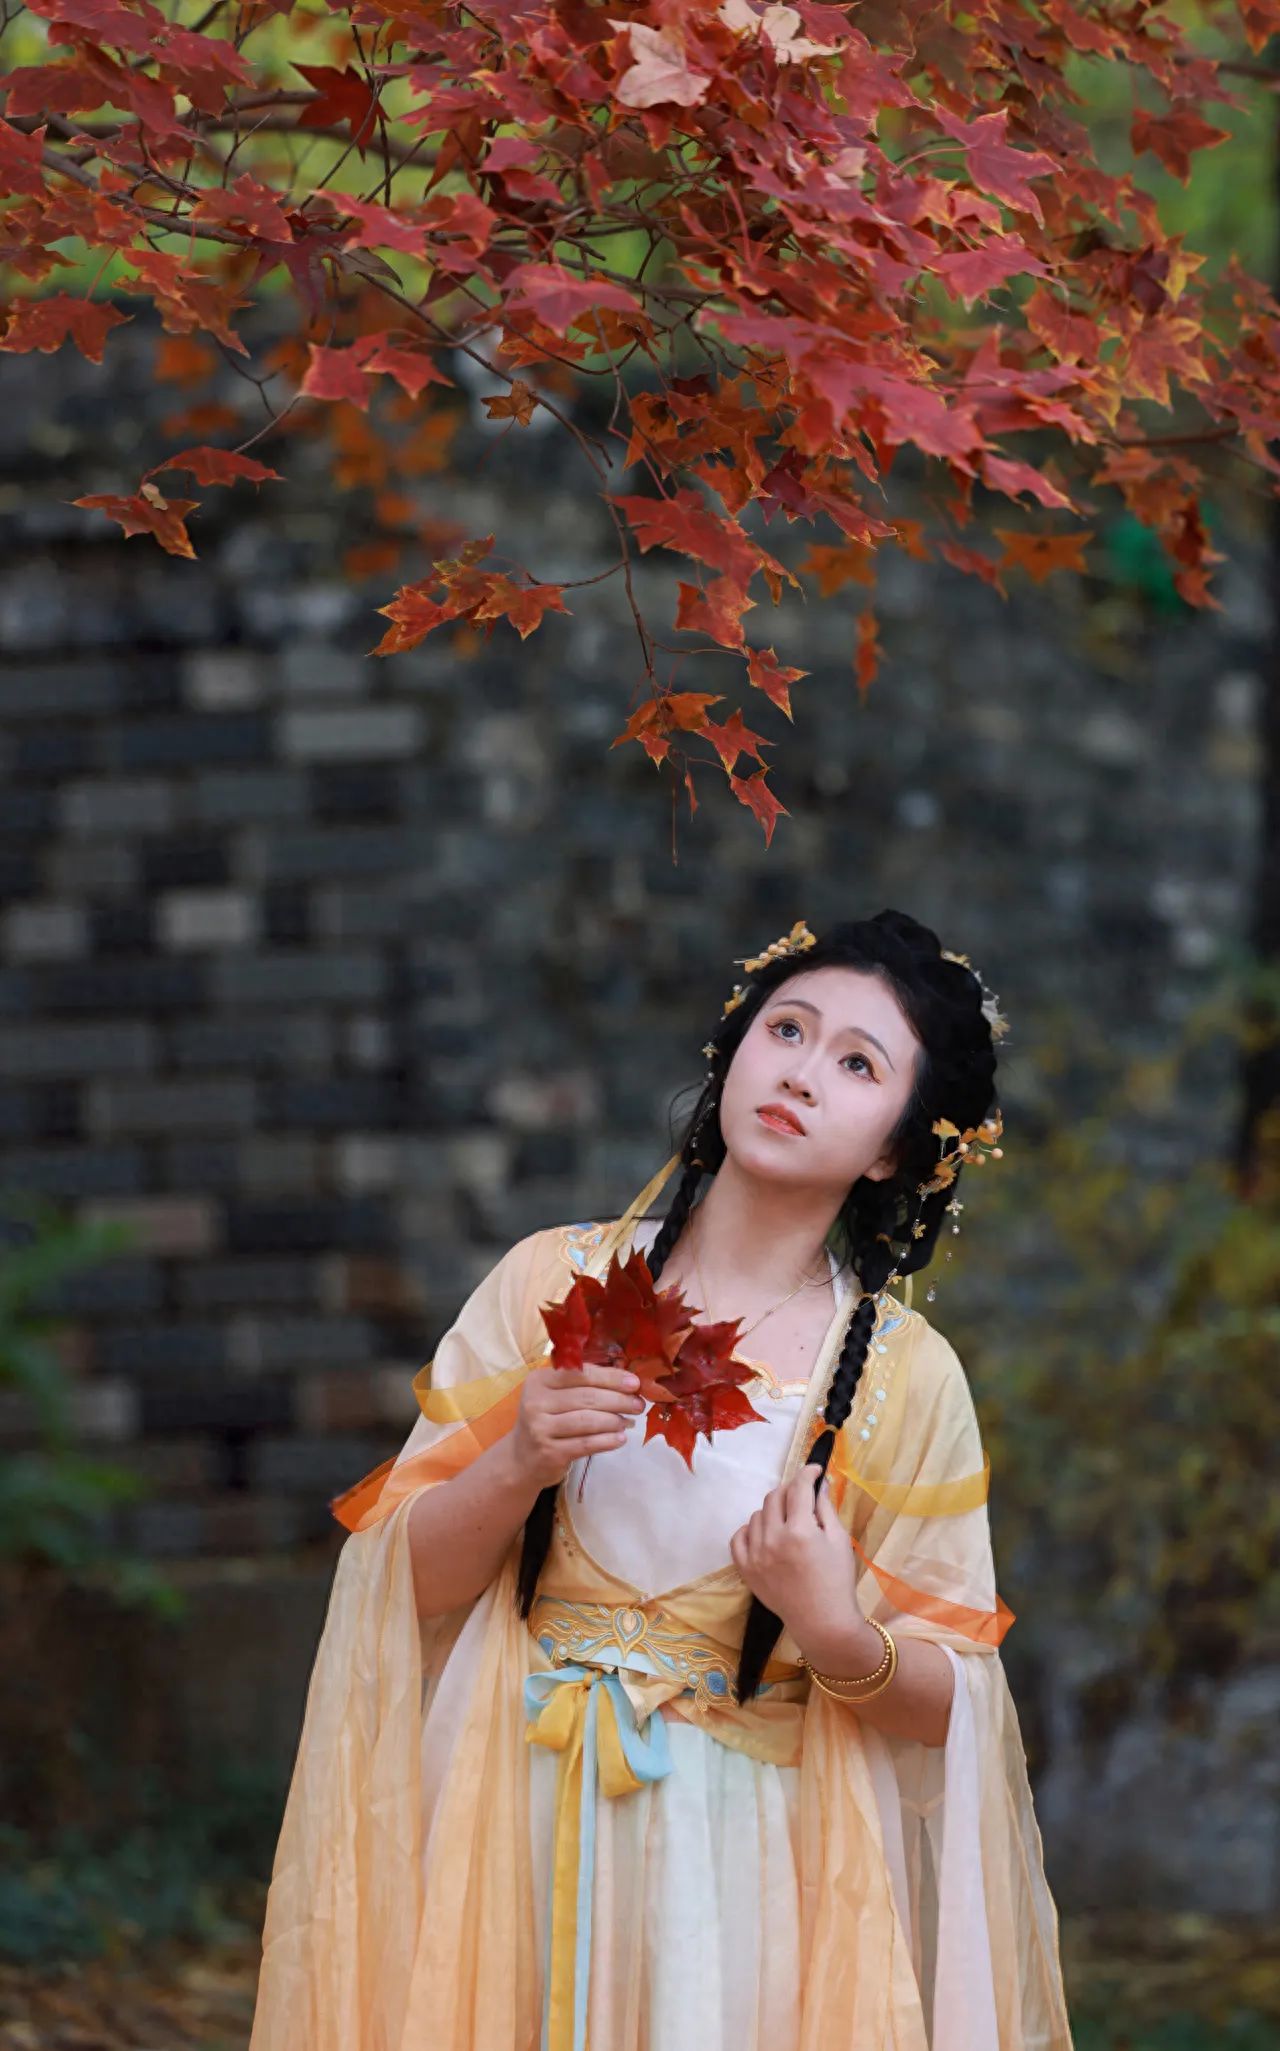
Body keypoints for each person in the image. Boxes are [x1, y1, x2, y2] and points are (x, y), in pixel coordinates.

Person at [248, 910, 1074, 2051]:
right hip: (502, 1803)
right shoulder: (554, 1280)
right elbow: (406, 1589)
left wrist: (834, 1626)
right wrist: (518, 1456)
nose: (799, 1071)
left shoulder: (895, 1373)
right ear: (733, 1050)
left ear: (893, 1147)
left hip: (739, 1853)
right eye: (785, 1028)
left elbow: (958, 1704)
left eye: (855, 1062)